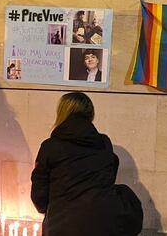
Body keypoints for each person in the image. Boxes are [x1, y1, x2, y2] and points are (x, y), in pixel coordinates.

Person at [31, 92, 124, 235]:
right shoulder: (104, 143)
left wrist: (50, 210)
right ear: (90, 113)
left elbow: (39, 194)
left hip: (61, 226)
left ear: (62, 112)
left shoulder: (50, 146)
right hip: (100, 225)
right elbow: (108, 178)